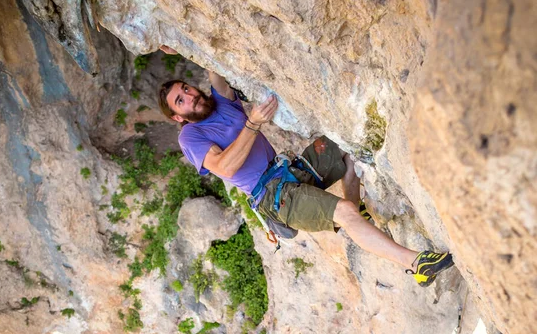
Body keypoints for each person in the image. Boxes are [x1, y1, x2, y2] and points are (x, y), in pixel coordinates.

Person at [158, 58, 454, 287]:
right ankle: (417, 266)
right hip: (274, 196)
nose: (190, 96)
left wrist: (175, 42)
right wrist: (253, 124)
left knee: (346, 142)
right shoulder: (191, 137)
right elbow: (225, 166)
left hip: (290, 170)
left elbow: (211, 63)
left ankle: (358, 217)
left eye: (186, 88)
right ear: (177, 116)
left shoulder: (219, 102)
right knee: (344, 213)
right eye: (180, 101)